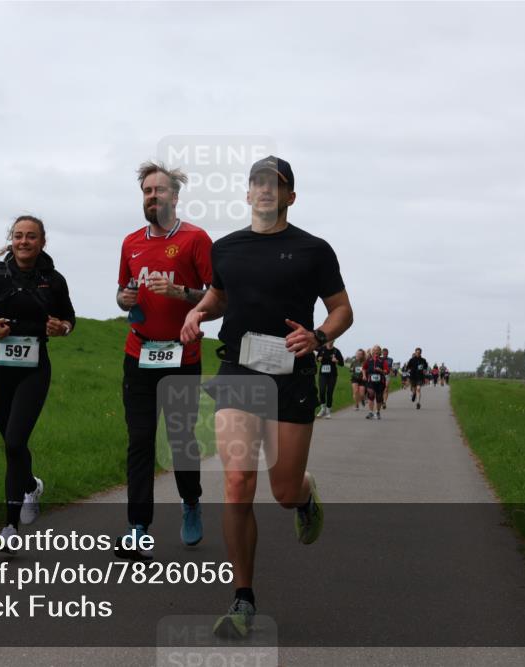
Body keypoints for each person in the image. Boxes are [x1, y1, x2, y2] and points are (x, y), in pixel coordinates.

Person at [180, 156, 352, 638]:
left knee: (281, 491)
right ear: (247, 193)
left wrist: (318, 337)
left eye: (275, 185)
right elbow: (219, 297)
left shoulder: (314, 250)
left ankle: (303, 497)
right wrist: (198, 312)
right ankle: (243, 598)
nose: (264, 191)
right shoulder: (226, 248)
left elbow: (342, 309)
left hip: (291, 373)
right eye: (257, 183)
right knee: (236, 483)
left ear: (290, 196)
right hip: (238, 368)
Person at [114, 161, 213, 560]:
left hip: (181, 355)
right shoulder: (131, 242)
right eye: (146, 192)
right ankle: (138, 528)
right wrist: (124, 299)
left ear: (175, 196)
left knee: (180, 441)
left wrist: (181, 294)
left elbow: (216, 299)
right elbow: (123, 291)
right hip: (138, 352)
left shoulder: (195, 240)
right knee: (139, 440)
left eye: (159, 191)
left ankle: (191, 502)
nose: (152, 197)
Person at [0, 215, 75, 540]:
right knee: (12, 445)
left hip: (35, 369)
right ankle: (30, 485)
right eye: (18, 236)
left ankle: (9, 527)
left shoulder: (53, 280)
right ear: (11, 239)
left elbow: (69, 318)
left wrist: (62, 328)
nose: (24, 241)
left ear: (42, 242)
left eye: (31, 237)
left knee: (14, 440)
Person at [315, 341, 344, 419]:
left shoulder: (336, 351)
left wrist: (336, 361)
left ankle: (328, 411)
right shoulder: (321, 349)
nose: (330, 342)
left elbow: (342, 363)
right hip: (323, 374)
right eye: (329, 340)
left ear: (334, 341)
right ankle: (322, 408)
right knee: (321, 390)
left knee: (329, 392)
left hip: (332, 375)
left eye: (332, 340)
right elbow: (317, 359)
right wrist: (318, 359)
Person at [363, 345, 388, 419]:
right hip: (370, 381)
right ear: (372, 351)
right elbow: (364, 368)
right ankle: (370, 412)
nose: (376, 351)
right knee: (371, 394)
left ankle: (377, 412)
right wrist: (364, 375)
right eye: (374, 350)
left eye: (377, 350)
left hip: (381, 382)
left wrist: (381, 370)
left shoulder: (383, 361)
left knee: (379, 397)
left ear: (380, 352)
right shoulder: (368, 360)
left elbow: (387, 371)